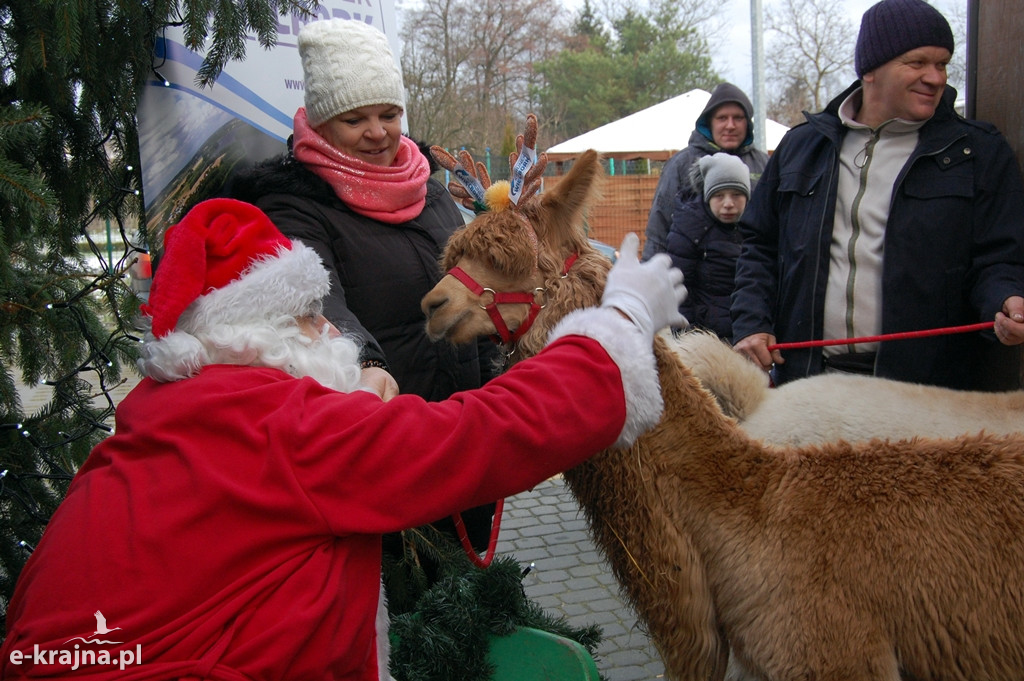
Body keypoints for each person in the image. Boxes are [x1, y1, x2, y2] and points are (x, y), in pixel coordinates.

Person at [0, 199, 686, 681]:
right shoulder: (287, 427)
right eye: (308, 317)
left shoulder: (168, 410)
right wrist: (619, 319)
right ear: (253, 334)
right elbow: (484, 433)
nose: (333, 334)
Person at [223, 19, 497, 556]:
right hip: (386, 439)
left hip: (462, 429)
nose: (379, 133)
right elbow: (316, 298)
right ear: (321, 124)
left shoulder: (428, 186)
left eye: (389, 114)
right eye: (355, 119)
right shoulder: (293, 203)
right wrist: (366, 364)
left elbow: (474, 278)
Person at [731, 0, 1024, 392]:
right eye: (917, 62)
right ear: (869, 70)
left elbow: (1000, 259)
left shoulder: (979, 153)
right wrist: (752, 322)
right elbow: (759, 246)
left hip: (928, 398)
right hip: (808, 387)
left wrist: (1004, 299)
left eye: (942, 64)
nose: (935, 78)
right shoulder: (803, 146)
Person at [642, 82, 768, 261]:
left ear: (748, 123)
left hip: (752, 277)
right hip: (693, 279)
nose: (730, 125)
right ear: (708, 122)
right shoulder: (681, 164)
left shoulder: (764, 165)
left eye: (738, 118)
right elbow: (659, 229)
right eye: (722, 118)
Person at [666, 153, 751, 342]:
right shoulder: (689, 229)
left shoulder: (758, 227)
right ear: (707, 196)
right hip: (707, 337)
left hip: (749, 333)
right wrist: (688, 336)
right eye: (719, 196)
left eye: (736, 194)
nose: (728, 204)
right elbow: (679, 288)